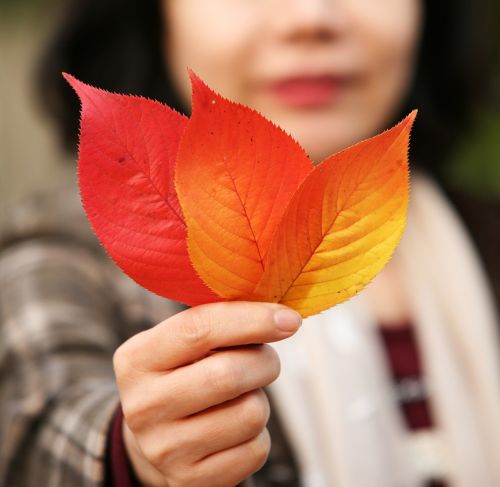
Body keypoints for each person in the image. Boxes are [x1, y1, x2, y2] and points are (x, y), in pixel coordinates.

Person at [1, 0, 499, 486]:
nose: (311, 18)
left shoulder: (483, 233)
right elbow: (38, 426)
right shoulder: (58, 256)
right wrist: (133, 456)